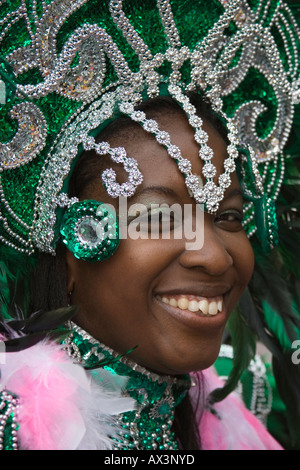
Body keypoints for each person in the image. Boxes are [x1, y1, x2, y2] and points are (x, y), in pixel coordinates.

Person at [0, 0, 299, 450]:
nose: (215, 256)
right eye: (159, 217)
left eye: (229, 217)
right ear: (71, 242)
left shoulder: (237, 414)